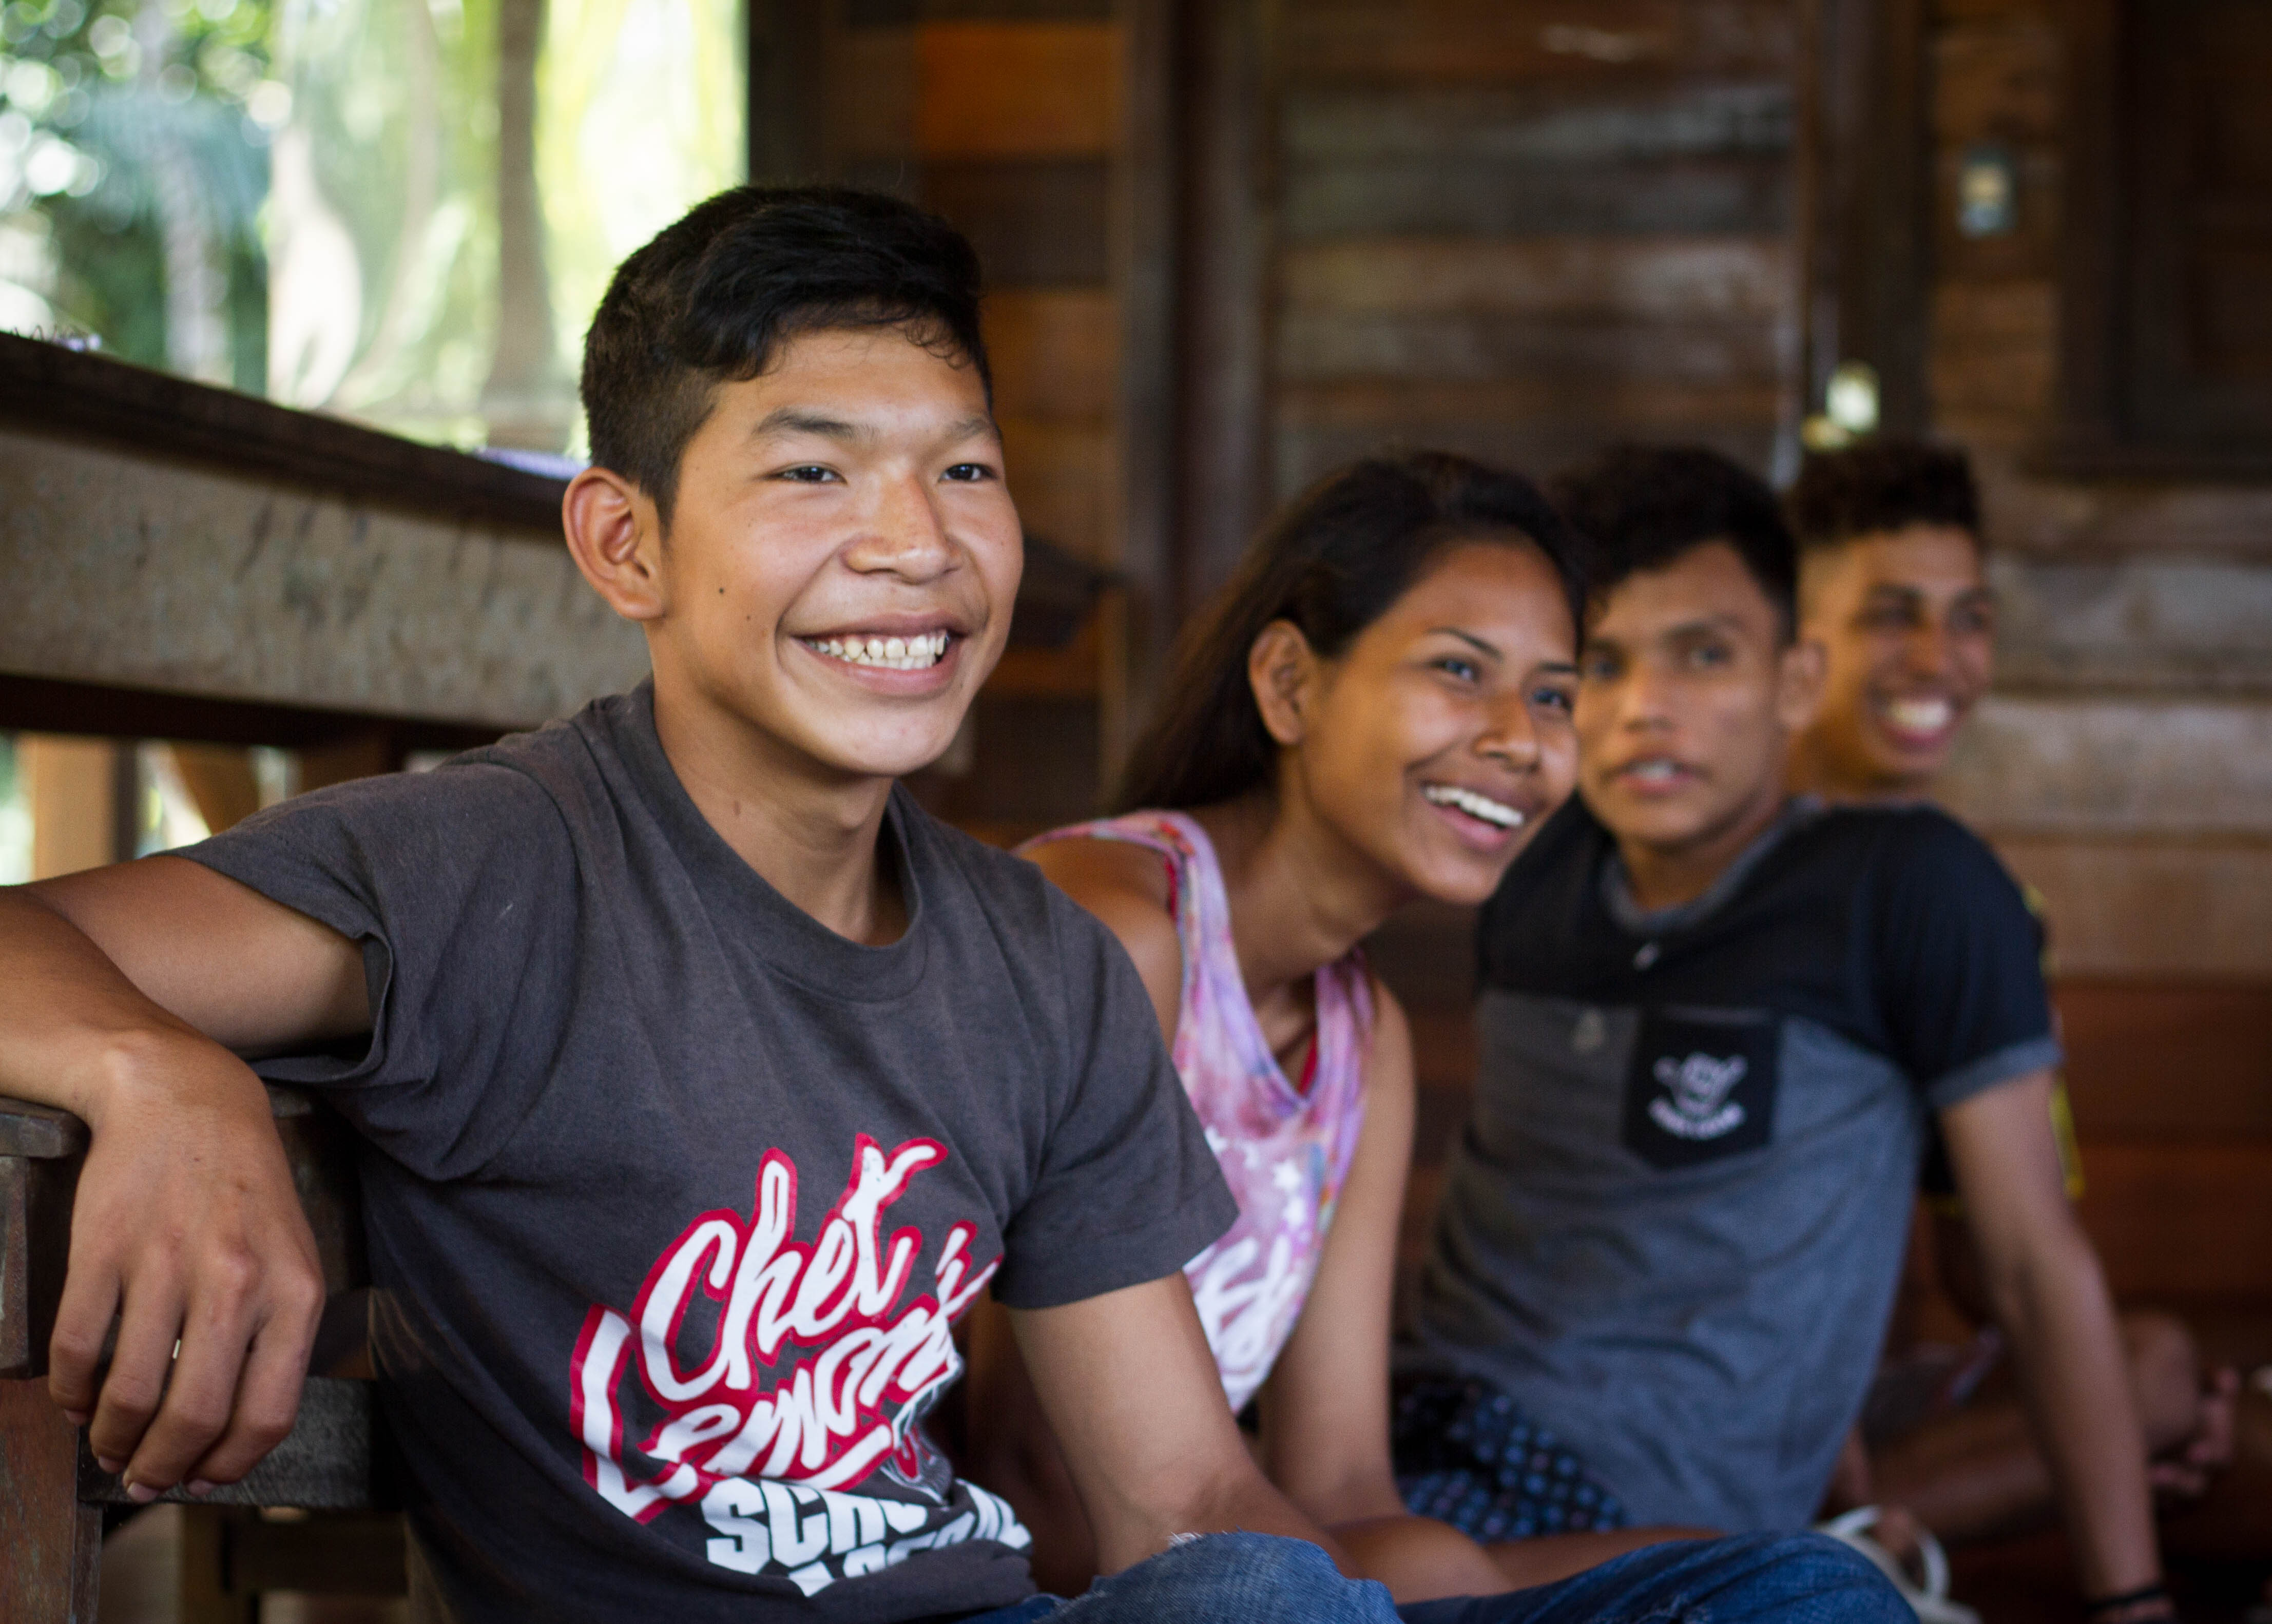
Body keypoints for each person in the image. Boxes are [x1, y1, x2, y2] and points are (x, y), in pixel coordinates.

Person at [0, 195, 1904, 1624]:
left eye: (963, 475)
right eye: (812, 476)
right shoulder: (489, 863)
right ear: (624, 542)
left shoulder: (1028, 958)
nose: (909, 550)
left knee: (1794, 1588)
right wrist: (154, 1067)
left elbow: (1188, 1501)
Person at [1395, 444, 2179, 1624]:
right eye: (1599, 664)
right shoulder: (1525, 863)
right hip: (1405, 1445)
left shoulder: (1914, 888)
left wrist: (2133, 1601)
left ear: (1797, 678)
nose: (1647, 704)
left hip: (1643, 1520)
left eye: (1702, 654)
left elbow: (2024, 1260)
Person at [967, 453, 1709, 1601]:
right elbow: (1027, 1479)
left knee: (1782, 1578)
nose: (1522, 738)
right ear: (1290, 684)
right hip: (1010, 1581)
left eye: (1554, 694)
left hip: (1225, 1569)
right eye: (1462, 670)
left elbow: (1345, 1480)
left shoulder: (1367, 1035)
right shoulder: (1121, 932)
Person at [1786, 438, 2262, 1561]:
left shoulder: (1974, 907)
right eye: (1892, 615)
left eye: (1969, 618)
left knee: (2168, 1378)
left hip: (1868, 1400)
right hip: (1709, 1402)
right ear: (1795, 641)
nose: (1939, 659)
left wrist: (2139, 1412)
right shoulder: (1727, 869)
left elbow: (1990, 1266)